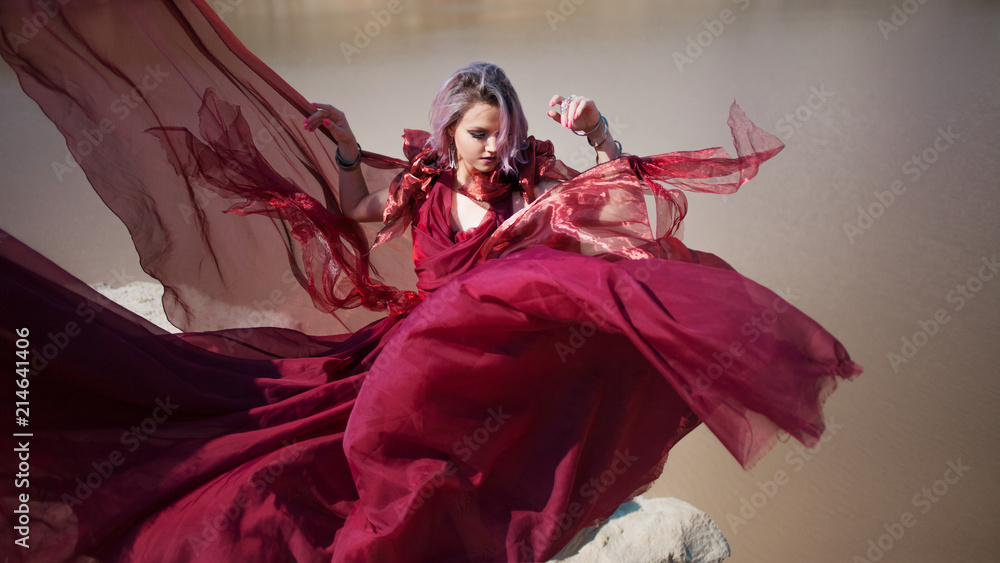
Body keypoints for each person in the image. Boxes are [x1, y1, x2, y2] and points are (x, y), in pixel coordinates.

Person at [0, 2, 861, 562]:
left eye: (502, 132)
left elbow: (620, 198)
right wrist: (341, 147)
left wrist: (602, 130)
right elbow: (353, 205)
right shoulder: (422, 188)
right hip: (416, 358)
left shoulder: (532, 187)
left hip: (493, 366)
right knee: (281, 472)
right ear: (450, 135)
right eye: (477, 134)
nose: (491, 148)